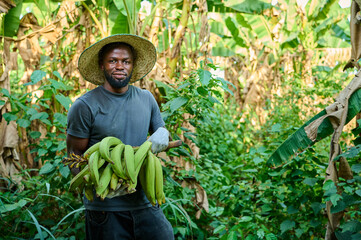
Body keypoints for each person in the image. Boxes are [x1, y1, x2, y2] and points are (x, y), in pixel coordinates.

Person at [66, 34, 174, 240]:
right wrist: (96, 183)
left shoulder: (146, 98)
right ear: (101, 65)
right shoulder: (85, 106)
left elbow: (160, 132)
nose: (119, 66)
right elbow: (74, 155)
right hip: (106, 208)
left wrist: (163, 132)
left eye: (126, 61)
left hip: (144, 200)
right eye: (112, 61)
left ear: (133, 66)